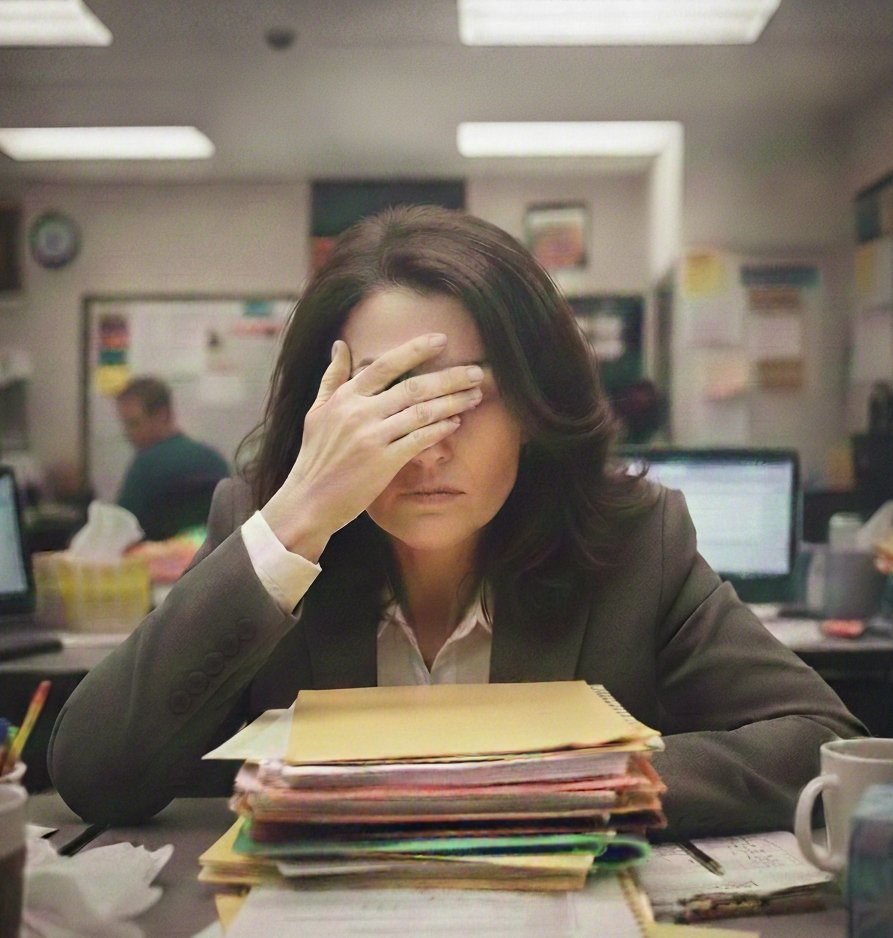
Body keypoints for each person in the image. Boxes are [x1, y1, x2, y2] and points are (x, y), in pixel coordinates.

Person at [49, 206, 863, 835]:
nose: (426, 450)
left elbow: (822, 742)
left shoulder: (633, 538)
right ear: (324, 414)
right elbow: (92, 775)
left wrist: (558, 783)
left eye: (463, 396)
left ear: (534, 410)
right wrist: (296, 517)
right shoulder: (263, 526)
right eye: (387, 405)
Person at [114, 376, 229, 540]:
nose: (127, 434)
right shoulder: (214, 460)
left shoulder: (145, 465)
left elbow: (118, 532)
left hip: (153, 563)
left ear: (162, 415)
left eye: (133, 424)